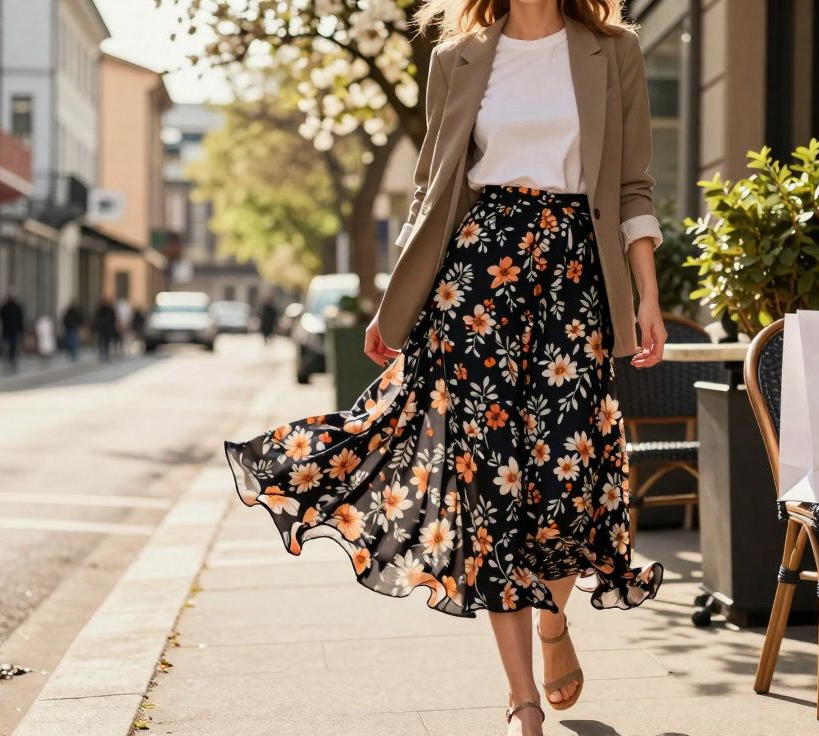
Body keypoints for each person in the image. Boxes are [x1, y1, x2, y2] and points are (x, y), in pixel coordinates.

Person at [222, 4, 667, 735]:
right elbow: (432, 192)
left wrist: (647, 295)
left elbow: (632, 188)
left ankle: (552, 622)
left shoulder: (612, 51)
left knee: (565, 483)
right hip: (477, 282)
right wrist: (395, 303)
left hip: (575, 283)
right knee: (491, 490)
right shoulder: (455, 58)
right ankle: (522, 695)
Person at [0, 288, 24, 373]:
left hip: (11, 330)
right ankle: (8, 362)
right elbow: (1, 315)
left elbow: (20, 319)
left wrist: (20, 329)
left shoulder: (16, 307)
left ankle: (11, 362)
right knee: (8, 347)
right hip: (9, 330)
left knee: (12, 347)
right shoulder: (7, 307)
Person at [95, 296, 119, 363]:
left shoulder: (110, 309)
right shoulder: (101, 309)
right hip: (102, 328)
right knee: (101, 342)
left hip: (108, 328)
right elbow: (97, 318)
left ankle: (106, 354)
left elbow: (114, 318)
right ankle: (102, 354)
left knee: (107, 342)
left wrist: (114, 326)